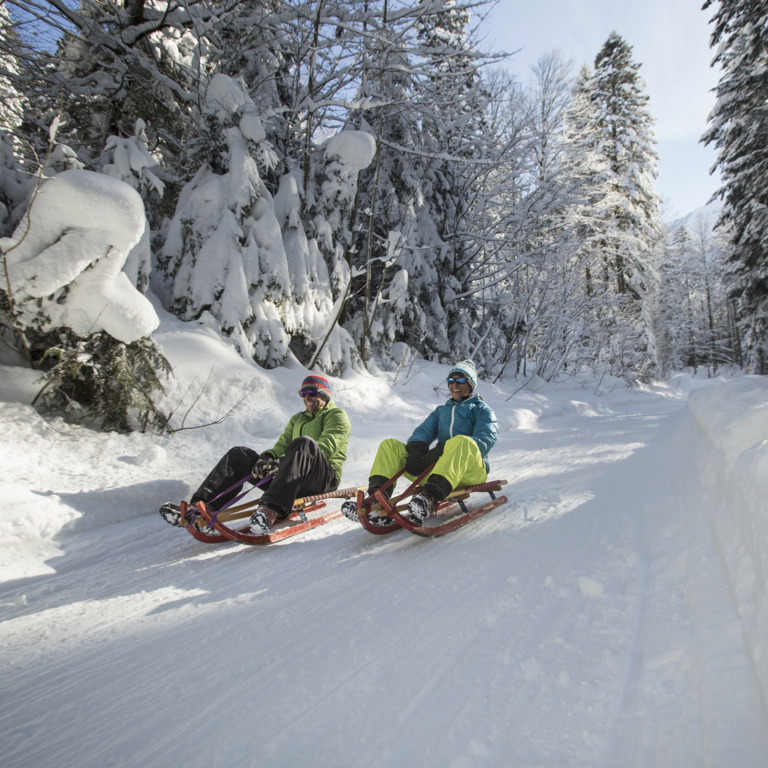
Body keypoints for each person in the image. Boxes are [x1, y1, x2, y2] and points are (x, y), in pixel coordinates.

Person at [160, 374, 351, 535]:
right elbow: (282, 444)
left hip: (322, 478)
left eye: (312, 393)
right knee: (239, 455)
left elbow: (327, 446)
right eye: (303, 393)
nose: (307, 397)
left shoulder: (336, 415)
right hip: (291, 477)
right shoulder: (297, 419)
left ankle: (270, 510)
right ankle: (202, 506)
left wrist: (284, 462)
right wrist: (267, 458)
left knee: (304, 443)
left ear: (324, 395)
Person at [343, 359, 497, 526]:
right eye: (450, 381)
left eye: (460, 380)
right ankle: (376, 499)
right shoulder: (441, 411)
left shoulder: (482, 410)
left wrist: (447, 448)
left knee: (461, 442)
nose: (454, 385)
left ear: (470, 385)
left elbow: (485, 439)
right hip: (441, 471)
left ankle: (429, 499)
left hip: (470, 471)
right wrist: (417, 450)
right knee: (390, 446)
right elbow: (422, 431)